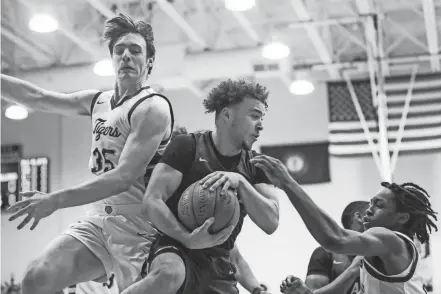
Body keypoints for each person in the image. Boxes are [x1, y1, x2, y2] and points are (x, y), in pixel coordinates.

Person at [2, 13, 180, 293]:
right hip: (98, 219)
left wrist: (55, 200)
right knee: (37, 278)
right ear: (112, 60)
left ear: (149, 63)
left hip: (140, 227)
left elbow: (123, 177)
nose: (126, 56)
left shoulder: (152, 108)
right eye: (119, 51)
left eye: (135, 51)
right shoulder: (98, 101)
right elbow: (38, 98)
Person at [122, 79, 280, 294]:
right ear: (227, 115)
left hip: (219, 263)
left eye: (262, 117)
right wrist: (187, 238)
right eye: (254, 116)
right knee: (170, 273)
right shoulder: (187, 146)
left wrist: (241, 181)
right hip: (177, 248)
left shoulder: (256, 166)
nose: (261, 124)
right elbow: (152, 201)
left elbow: (271, 222)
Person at [251, 154, 438, 294]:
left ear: (401, 218)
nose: (369, 209)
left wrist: (288, 183)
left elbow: (335, 239)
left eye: (379, 205)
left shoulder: (390, 239)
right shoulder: (374, 253)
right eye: (371, 202)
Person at [303, 201, 368, 294]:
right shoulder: (325, 253)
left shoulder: (383, 252)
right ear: (359, 217)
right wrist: (352, 271)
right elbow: (311, 292)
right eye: (370, 212)